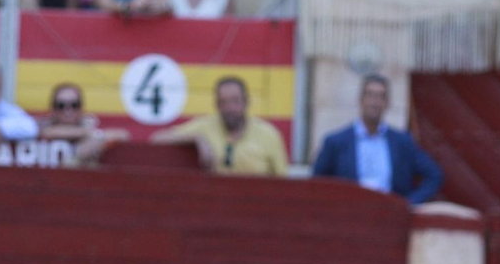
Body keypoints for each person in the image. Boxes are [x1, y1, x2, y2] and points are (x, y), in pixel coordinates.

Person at [312, 74, 443, 205]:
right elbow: (317, 184)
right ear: (361, 99)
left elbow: (434, 175)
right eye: (370, 95)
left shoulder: (402, 142)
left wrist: (408, 204)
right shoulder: (336, 142)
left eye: (380, 96)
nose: (374, 102)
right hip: (349, 216)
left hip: (389, 216)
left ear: (387, 103)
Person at [152, 76, 288, 176]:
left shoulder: (268, 134)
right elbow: (157, 139)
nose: (229, 108)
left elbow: (282, 180)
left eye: (235, 101)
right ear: (216, 105)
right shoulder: (205, 127)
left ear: (246, 102)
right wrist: (196, 138)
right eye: (223, 102)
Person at [38, 81, 126, 164]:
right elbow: (44, 131)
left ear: (81, 108)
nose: (68, 110)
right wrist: (86, 133)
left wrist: (98, 137)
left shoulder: (90, 122)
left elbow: (123, 135)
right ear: (53, 109)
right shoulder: (43, 125)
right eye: (61, 105)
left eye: (74, 105)